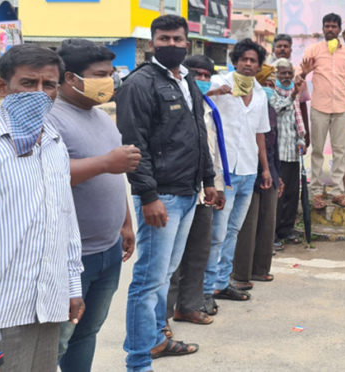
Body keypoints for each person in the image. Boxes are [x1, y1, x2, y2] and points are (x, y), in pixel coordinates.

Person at [116, 15, 217, 371]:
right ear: (151, 42)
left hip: (188, 193)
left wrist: (208, 180)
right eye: (164, 39)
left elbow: (198, 135)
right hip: (163, 197)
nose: (171, 44)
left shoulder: (186, 79)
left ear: (187, 43)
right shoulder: (139, 84)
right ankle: (139, 359)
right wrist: (148, 196)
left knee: (165, 273)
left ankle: (154, 338)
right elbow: (134, 144)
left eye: (177, 39)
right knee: (148, 279)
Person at [49, 39, 139, 372]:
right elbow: (49, 175)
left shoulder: (100, 117)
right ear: (70, 78)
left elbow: (116, 176)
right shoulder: (53, 117)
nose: (110, 80)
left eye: (112, 72)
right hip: (73, 257)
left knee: (87, 332)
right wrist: (105, 162)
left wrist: (125, 221)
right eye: (101, 74)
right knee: (57, 340)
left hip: (109, 249)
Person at [0, 44, 84, 372]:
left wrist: (72, 287)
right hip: (6, 308)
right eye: (28, 83)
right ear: (3, 87)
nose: (39, 93)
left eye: (48, 85)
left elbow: (65, 219)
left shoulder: (53, 142)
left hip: (49, 302)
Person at [203, 38, 272, 309]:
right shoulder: (219, 83)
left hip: (247, 169)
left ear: (258, 66)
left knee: (233, 230)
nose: (248, 63)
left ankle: (221, 282)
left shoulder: (261, 94)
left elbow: (260, 134)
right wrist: (214, 93)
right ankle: (206, 289)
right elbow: (194, 98)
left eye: (253, 60)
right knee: (218, 232)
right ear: (236, 61)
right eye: (244, 58)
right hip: (224, 172)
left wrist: (264, 168)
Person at [165, 54, 226, 328]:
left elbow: (212, 151)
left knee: (199, 251)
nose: (201, 79)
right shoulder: (177, 104)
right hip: (178, 188)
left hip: (204, 188)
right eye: (196, 74)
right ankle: (161, 320)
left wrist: (217, 186)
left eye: (206, 75)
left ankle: (188, 306)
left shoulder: (208, 106)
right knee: (171, 260)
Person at [300, 13, 345, 209]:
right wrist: (304, 72)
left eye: (333, 26)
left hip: (341, 106)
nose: (330, 29)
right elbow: (300, 75)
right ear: (322, 28)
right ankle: (316, 193)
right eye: (327, 26)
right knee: (317, 151)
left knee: (340, 151)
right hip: (319, 107)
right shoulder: (314, 50)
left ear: (339, 29)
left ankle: (338, 192)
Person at [233, 65, 283, 289]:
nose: (272, 86)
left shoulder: (267, 105)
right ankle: (241, 273)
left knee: (267, 221)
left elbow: (274, 145)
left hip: (269, 169)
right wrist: (263, 168)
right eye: (268, 82)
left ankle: (261, 269)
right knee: (248, 223)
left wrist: (276, 174)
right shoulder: (239, 102)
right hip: (249, 168)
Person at [271, 58, 306, 246]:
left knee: (292, 193)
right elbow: (278, 107)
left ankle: (287, 230)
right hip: (277, 154)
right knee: (278, 195)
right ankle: (273, 233)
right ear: (276, 74)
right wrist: (292, 96)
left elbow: (297, 118)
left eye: (289, 73)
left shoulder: (295, 93)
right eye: (283, 73)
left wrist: (302, 139)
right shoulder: (271, 91)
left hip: (293, 152)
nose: (286, 77)